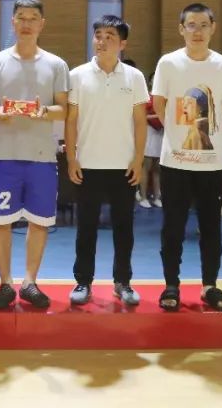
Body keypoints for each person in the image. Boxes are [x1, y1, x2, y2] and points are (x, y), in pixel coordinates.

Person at [0, 0, 69, 309]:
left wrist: (42, 111)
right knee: (0, 221)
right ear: (13, 22)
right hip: (4, 156)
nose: (27, 23)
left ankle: (30, 282)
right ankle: (5, 283)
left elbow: (63, 109)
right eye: (21, 17)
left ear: (42, 24)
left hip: (42, 157)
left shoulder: (56, 64)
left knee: (40, 221)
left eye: (33, 18)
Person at [151, 2, 222, 313]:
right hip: (174, 162)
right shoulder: (168, 63)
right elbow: (159, 103)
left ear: (213, 28)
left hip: (211, 163)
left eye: (203, 25)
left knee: (211, 227)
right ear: (181, 29)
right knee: (172, 227)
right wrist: (178, 131)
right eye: (191, 24)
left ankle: (209, 285)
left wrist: (204, 130)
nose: (197, 31)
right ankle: (171, 285)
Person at [66, 15, 149, 306]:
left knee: (124, 228)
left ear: (122, 44)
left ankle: (122, 282)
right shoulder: (77, 75)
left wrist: (138, 160)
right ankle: (82, 281)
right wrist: (71, 158)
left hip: (123, 166)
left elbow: (140, 122)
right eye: (98, 35)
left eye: (109, 36)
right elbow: (71, 120)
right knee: (85, 228)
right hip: (87, 164)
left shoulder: (134, 77)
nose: (102, 41)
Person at [138, 76, 163, 208]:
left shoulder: (164, 97)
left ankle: (157, 196)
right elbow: (140, 115)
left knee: (157, 167)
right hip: (148, 131)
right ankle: (143, 196)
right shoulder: (145, 96)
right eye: (154, 79)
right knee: (146, 166)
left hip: (161, 133)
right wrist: (158, 116)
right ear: (150, 82)